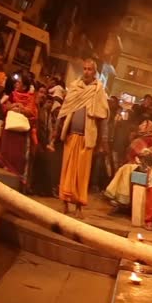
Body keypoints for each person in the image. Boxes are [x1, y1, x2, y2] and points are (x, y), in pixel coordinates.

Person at [56, 59, 109, 218]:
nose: (86, 72)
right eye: (84, 69)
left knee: (82, 174)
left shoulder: (98, 91)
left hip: (87, 138)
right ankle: (65, 203)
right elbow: (65, 109)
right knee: (67, 170)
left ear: (95, 72)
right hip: (71, 136)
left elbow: (103, 117)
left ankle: (79, 206)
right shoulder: (74, 87)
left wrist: (104, 140)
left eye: (89, 69)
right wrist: (56, 131)